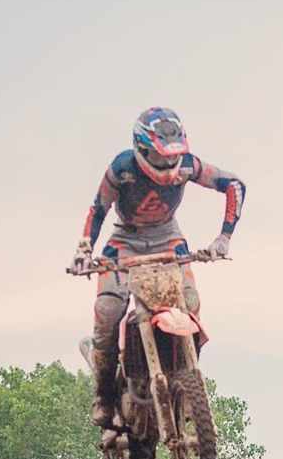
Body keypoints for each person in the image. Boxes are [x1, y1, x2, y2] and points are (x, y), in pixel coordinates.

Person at [70, 107, 246, 428]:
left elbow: (234, 184)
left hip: (168, 237)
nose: (168, 167)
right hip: (125, 240)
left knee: (190, 302)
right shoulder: (121, 168)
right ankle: (103, 396)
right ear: (142, 150)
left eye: (171, 158)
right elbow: (98, 209)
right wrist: (84, 249)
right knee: (108, 309)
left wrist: (224, 237)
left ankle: (186, 382)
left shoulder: (189, 166)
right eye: (160, 158)